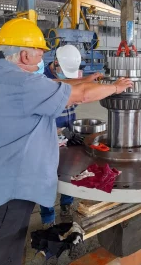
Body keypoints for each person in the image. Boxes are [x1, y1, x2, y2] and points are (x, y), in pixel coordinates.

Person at [0, 18, 133, 265]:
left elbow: (56, 84)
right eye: (39, 53)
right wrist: (116, 88)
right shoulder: (22, 83)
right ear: (24, 55)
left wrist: (89, 81)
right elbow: (82, 96)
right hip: (0, 194)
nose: (42, 59)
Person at [40, 46, 103, 225]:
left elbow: (77, 94)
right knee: (48, 178)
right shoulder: (41, 80)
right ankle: (48, 217)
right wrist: (57, 131)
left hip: (69, 132)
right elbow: (39, 116)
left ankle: (66, 205)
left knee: (70, 171)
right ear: (56, 63)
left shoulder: (71, 76)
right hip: (48, 137)